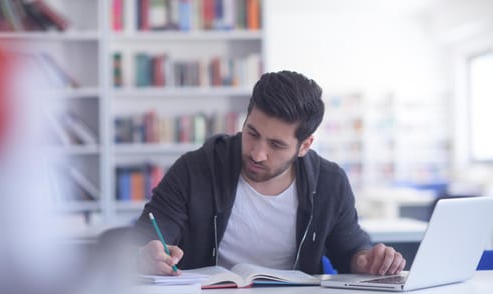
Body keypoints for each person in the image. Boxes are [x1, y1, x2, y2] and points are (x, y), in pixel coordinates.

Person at [133, 70, 405, 276]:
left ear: (305, 145)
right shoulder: (194, 170)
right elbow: (146, 236)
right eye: (252, 133)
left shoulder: (329, 183)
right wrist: (147, 254)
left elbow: (350, 248)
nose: (257, 153)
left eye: (276, 144)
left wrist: (365, 259)